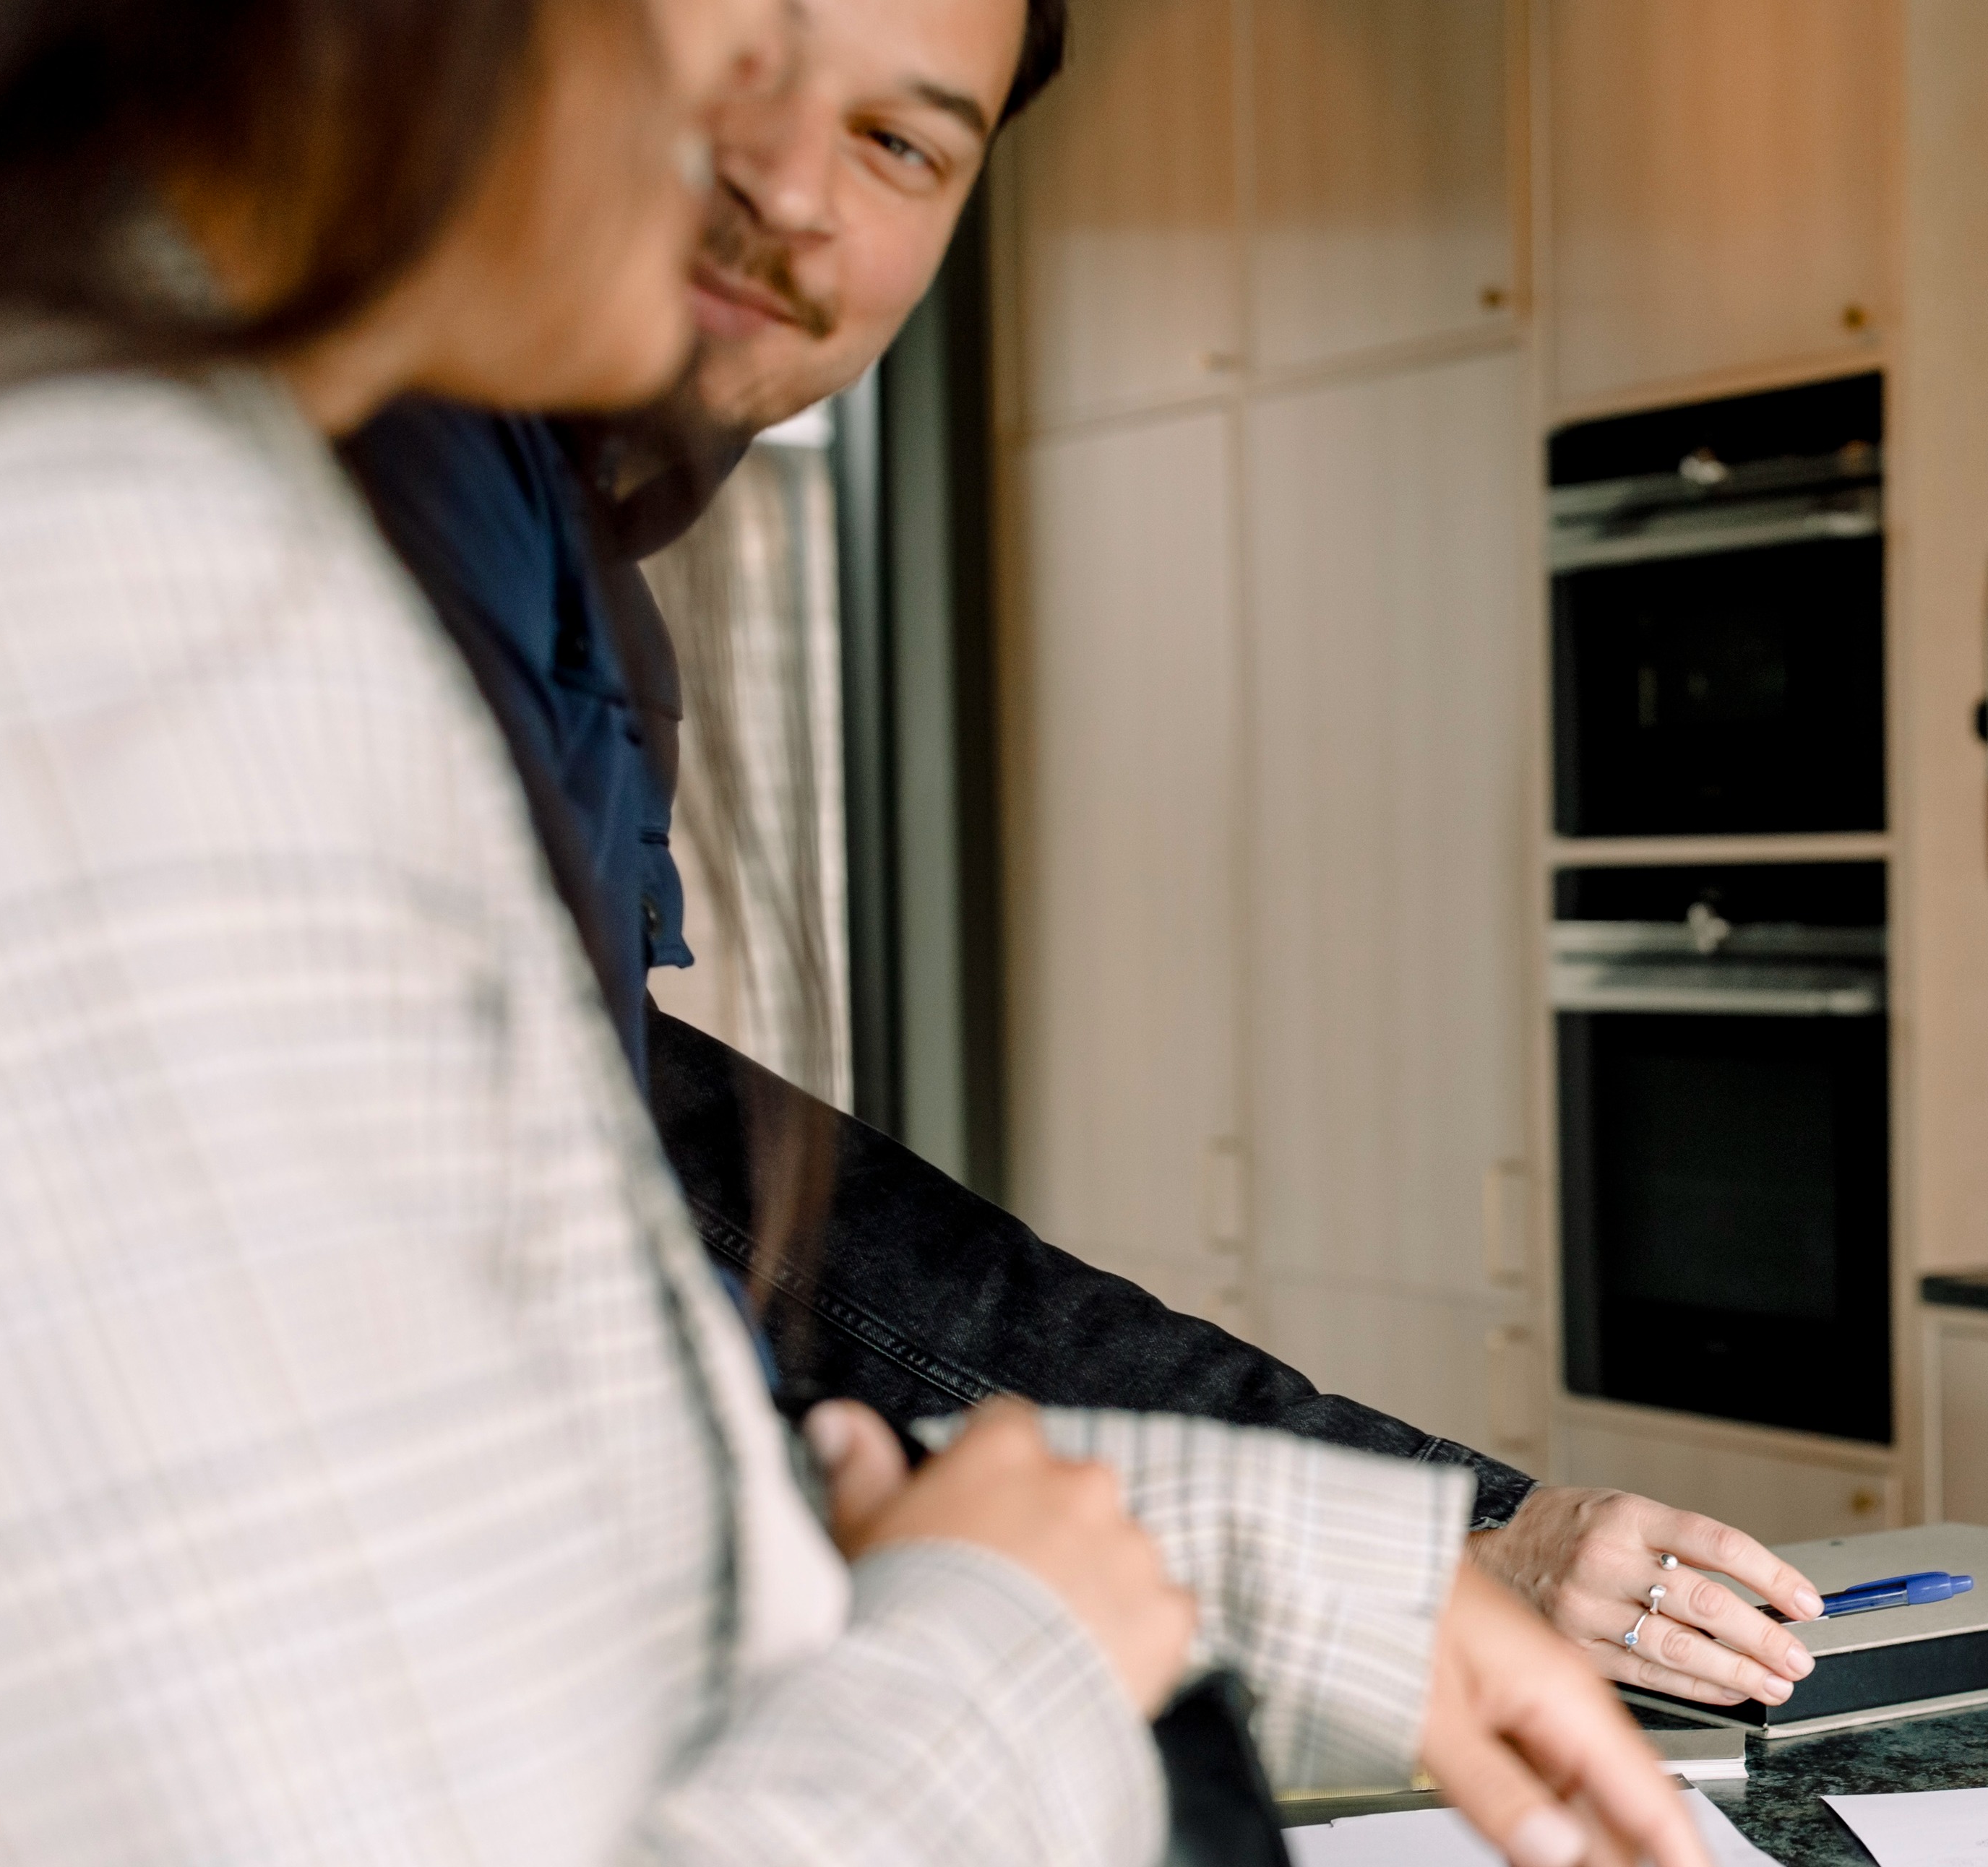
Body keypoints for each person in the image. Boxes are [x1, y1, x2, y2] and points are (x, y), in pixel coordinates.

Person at [0, 4, 1704, 1864]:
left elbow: (530, 1433)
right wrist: (1030, 1638)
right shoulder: (124, 629)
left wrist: (1271, 1546)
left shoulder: (293, 528)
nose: (765, 166)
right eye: (739, 24)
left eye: (899, 142)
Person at [332, 0, 1838, 1721]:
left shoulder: (550, 557)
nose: (790, 190)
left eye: (899, 143)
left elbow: (740, 1219)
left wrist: (1438, 1541)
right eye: (737, 63)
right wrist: (1406, 1554)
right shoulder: (389, 502)